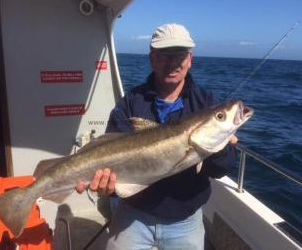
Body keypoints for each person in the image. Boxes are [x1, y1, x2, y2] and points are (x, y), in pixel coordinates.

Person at [77, 23, 238, 250]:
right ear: (151, 58)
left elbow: (224, 167)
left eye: (179, 55)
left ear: (190, 59)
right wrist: (108, 186)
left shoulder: (206, 103)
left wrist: (220, 147)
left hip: (185, 220)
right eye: (164, 55)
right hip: (133, 214)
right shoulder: (131, 102)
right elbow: (111, 151)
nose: (172, 62)